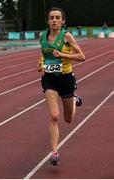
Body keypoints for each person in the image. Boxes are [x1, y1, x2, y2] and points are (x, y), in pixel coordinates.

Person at [37, 7, 85, 166]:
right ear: (48, 20)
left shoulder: (67, 36)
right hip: (50, 79)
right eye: (51, 18)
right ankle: (54, 152)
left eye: (58, 18)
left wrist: (63, 55)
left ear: (63, 21)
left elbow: (82, 57)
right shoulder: (42, 36)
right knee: (54, 116)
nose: (54, 20)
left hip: (66, 79)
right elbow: (43, 53)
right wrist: (41, 63)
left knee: (68, 119)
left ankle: (73, 99)